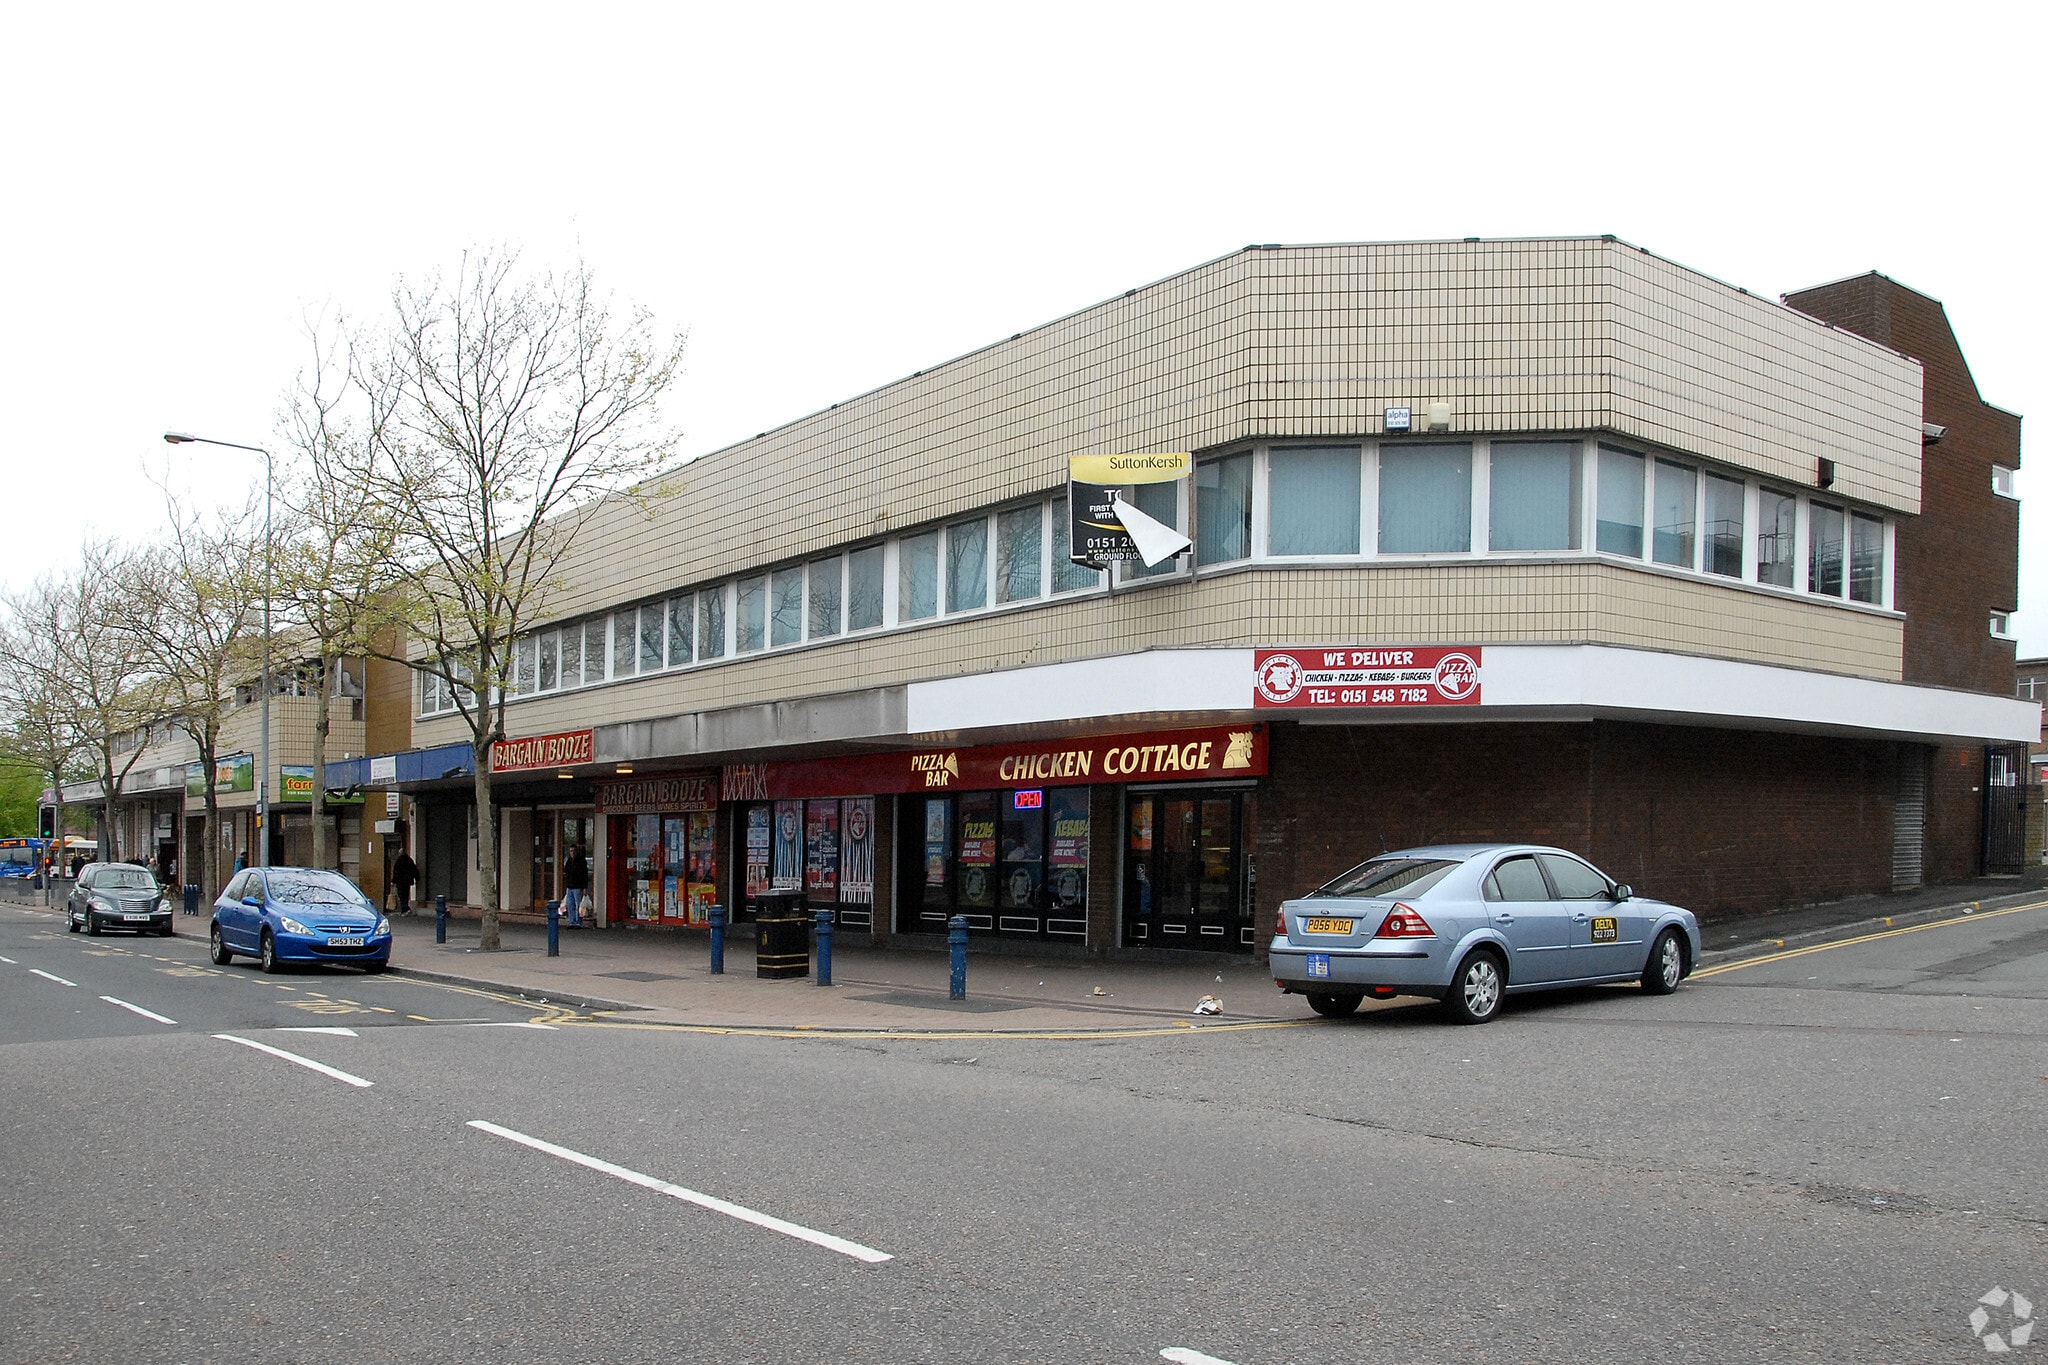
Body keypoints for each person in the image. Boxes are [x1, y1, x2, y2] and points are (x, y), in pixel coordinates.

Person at [561, 845, 589, 928]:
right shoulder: (569, 861)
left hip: (578, 886)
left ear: (576, 851)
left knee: (579, 905)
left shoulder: (581, 861)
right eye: (571, 851)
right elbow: (566, 872)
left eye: (573, 851)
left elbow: (584, 875)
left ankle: (578, 922)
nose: (572, 853)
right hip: (570, 887)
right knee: (570, 905)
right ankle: (572, 921)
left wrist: (584, 887)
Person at [391, 848, 419, 916]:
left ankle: (405, 909)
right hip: (407, 882)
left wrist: (393, 881)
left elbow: (396, 872)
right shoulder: (409, 860)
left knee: (401, 895)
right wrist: (417, 878)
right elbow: (414, 870)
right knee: (406, 895)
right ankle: (406, 908)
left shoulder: (399, 861)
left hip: (400, 882)